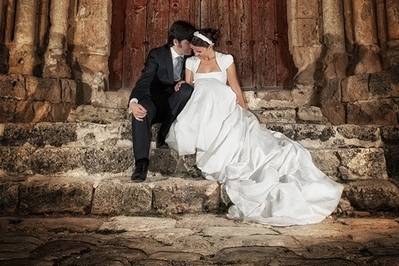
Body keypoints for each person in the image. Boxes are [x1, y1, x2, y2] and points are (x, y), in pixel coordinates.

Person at [166, 29, 344, 226]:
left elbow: (234, 85)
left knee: (252, 139)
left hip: (224, 106)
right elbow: (189, 87)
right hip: (202, 108)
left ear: (209, 46)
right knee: (204, 95)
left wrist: (244, 109)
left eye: (198, 51)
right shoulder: (191, 63)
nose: (194, 54)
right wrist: (181, 83)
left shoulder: (225, 60)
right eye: (193, 51)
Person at [129, 21, 196, 182]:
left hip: (173, 104)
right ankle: (141, 164)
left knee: (187, 89)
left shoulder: (192, 58)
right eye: (188, 42)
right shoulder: (157, 55)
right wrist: (133, 102)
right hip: (153, 101)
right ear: (176, 42)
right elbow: (145, 80)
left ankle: (163, 133)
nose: (191, 46)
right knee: (140, 113)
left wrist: (184, 82)